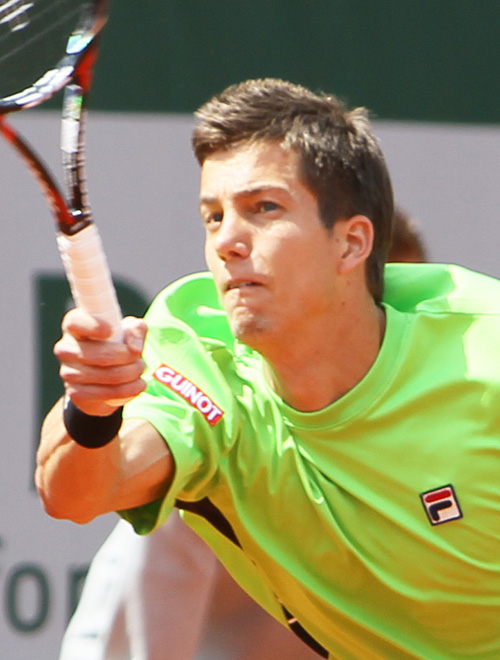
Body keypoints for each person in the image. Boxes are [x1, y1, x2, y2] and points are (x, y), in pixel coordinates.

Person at [36, 78, 500, 659]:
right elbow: (77, 494)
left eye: (264, 208)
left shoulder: (485, 348)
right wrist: (92, 405)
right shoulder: (200, 356)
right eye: (213, 216)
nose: (228, 240)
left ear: (351, 244)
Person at [57, 204, 426, 660]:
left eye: (393, 318)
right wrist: (90, 407)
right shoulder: (207, 459)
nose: (372, 335)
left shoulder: (441, 444)